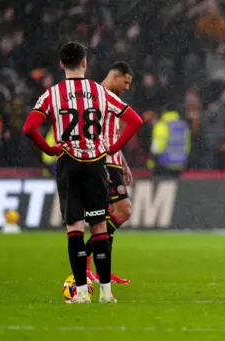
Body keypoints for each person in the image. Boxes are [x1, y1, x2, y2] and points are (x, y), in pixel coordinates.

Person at [22, 41, 143, 303]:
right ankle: (106, 292)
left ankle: (80, 292)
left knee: (74, 227)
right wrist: (114, 147)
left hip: (69, 163)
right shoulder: (99, 92)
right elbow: (135, 120)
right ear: (85, 63)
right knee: (99, 226)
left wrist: (51, 149)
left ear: (61, 64)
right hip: (97, 161)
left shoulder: (52, 93)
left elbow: (28, 128)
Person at [83, 62, 135, 284]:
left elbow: (109, 134)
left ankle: (104, 269)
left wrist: (123, 162)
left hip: (113, 161)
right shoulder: (97, 96)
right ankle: (84, 258)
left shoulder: (112, 100)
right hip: (103, 162)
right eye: (125, 82)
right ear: (115, 76)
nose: (127, 87)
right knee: (124, 212)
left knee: (108, 214)